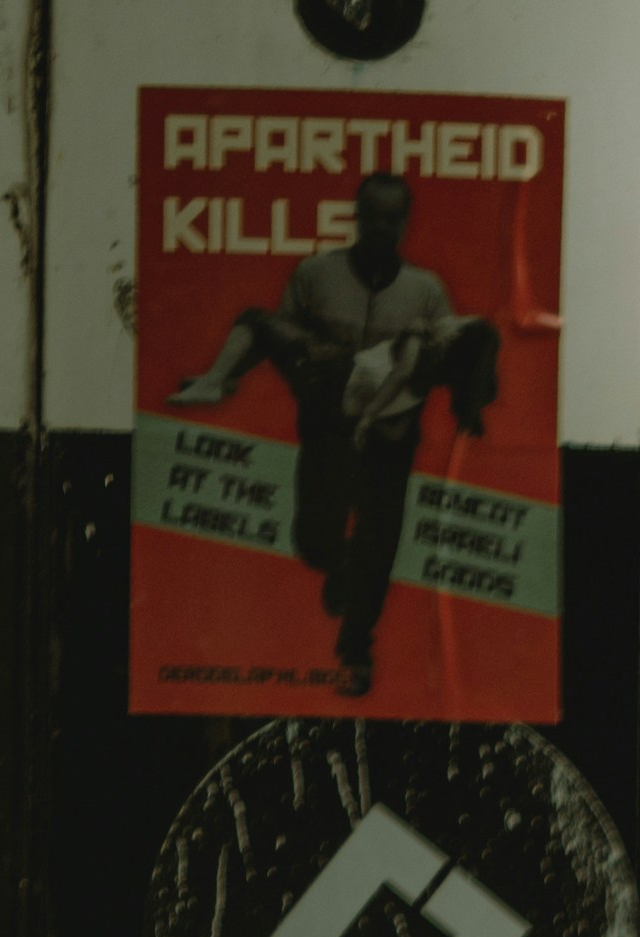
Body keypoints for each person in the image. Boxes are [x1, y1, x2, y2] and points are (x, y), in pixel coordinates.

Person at [175, 166, 499, 697]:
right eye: (371, 215)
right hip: (326, 437)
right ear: (356, 215)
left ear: (404, 222)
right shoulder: (314, 276)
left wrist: (469, 398)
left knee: (378, 551)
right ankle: (338, 565)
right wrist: (248, 374)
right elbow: (287, 343)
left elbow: (446, 357)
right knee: (313, 543)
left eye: (391, 218)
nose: (380, 226)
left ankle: (355, 649)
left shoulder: (426, 291)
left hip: (389, 448)